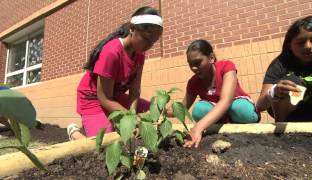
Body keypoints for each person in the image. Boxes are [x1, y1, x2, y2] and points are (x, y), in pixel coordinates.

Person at [68, 6, 163, 140]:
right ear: (132, 28)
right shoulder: (111, 52)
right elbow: (104, 99)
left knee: (154, 112)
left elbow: (135, 91)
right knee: (105, 141)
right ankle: (74, 132)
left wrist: (133, 116)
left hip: (114, 96)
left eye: (154, 42)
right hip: (93, 98)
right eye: (146, 38)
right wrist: (132, 119)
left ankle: (99, 122)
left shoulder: (140, 54)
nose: (150, 45)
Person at [169, 39, 259, 148]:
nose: (193, 68)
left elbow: (226, 100)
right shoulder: (194, 82)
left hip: (235, 106)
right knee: (199, 110)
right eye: (190, 64)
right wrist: (159, 111)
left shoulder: (226, 67)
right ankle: (223, 127)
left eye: (198, 63)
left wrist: (198, 127)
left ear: (211, 58)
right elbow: (183, 107)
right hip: (219, 114)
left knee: (239, 108)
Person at [256, 16, 312, 122]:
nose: (308, 46)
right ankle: (281, 131)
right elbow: (260, 105)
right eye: (300, 42)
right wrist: (274, 92)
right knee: (291, 83)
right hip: (289, 116)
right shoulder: (281, 64)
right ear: (289, 45)